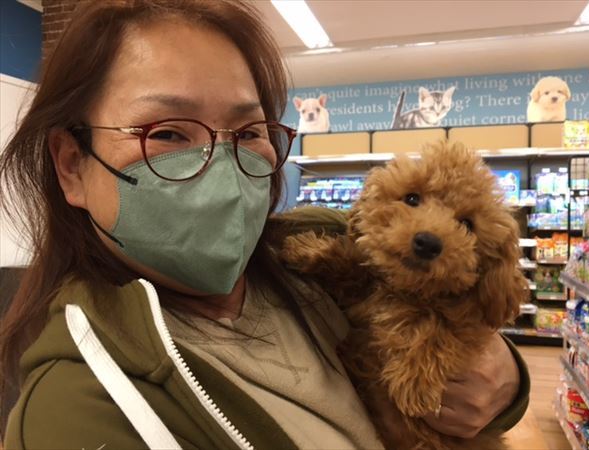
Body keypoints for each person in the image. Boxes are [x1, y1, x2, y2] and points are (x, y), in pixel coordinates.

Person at [0, 1, 529, 449]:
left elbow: (467, 320)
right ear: (72, 164)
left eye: (249, 131)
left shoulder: (323, 245)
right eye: (167, 133)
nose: (219, 166)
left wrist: (503, 375)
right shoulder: (76, 409)